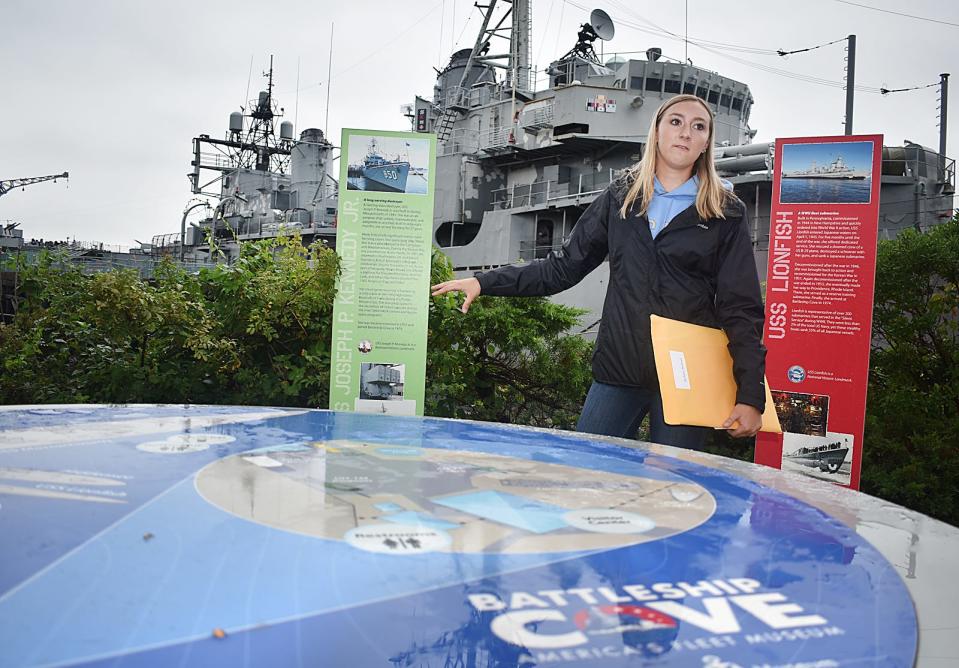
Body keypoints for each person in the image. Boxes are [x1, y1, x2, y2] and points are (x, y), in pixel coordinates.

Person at [431, 94, 766, 450]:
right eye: (676, 121)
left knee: (674, 492)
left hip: (684, 376)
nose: (685, 132)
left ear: (705, 143)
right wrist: (483, 282)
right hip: (618, 369)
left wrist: (750, 396)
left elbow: (740, 307)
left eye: (698, 126)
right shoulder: (621, 197)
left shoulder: (724, 211)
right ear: (656, 132)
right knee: (584, 473)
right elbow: (562, 268)